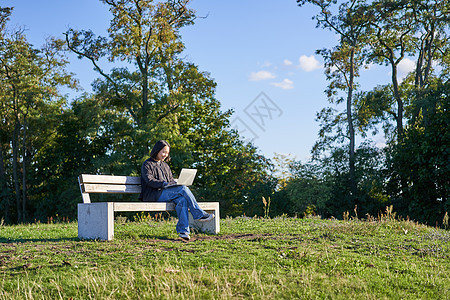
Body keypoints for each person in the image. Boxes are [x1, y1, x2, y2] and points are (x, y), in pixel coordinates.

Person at [139, 140, 214, 240]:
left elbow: (170, 180)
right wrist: (165, 184)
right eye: (163, 152)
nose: (165, 155)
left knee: (182, 200)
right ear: (157, 150)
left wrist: (175, 183)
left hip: (166, 193)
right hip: (154, 194)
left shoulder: (165, 166)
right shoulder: (147, 164)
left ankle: (183, 231)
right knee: (183, 189)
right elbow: (149, 180)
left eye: (167, 153)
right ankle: (199, 214)